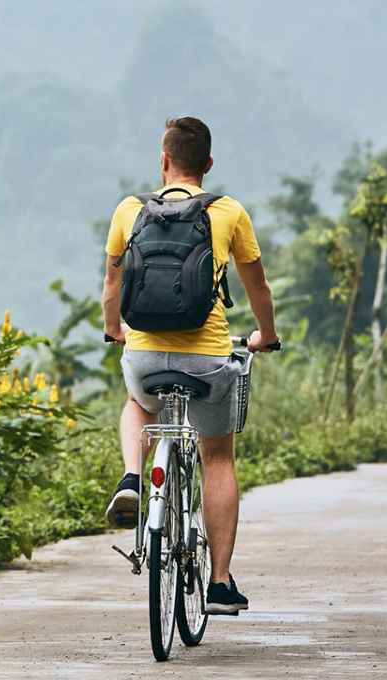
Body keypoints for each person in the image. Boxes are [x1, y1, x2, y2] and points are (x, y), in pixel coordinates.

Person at [101, 115, 279, 615]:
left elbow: (113, 286)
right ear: (209, 164)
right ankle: (219, 583)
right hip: (207, 362)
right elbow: (258, 288)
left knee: (137, 404)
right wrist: (267, 336)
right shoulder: (228, 212)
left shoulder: (129, 210)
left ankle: (134, 478)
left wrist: (115, 330)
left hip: (144, 355)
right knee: (217, 457)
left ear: (164, 161)